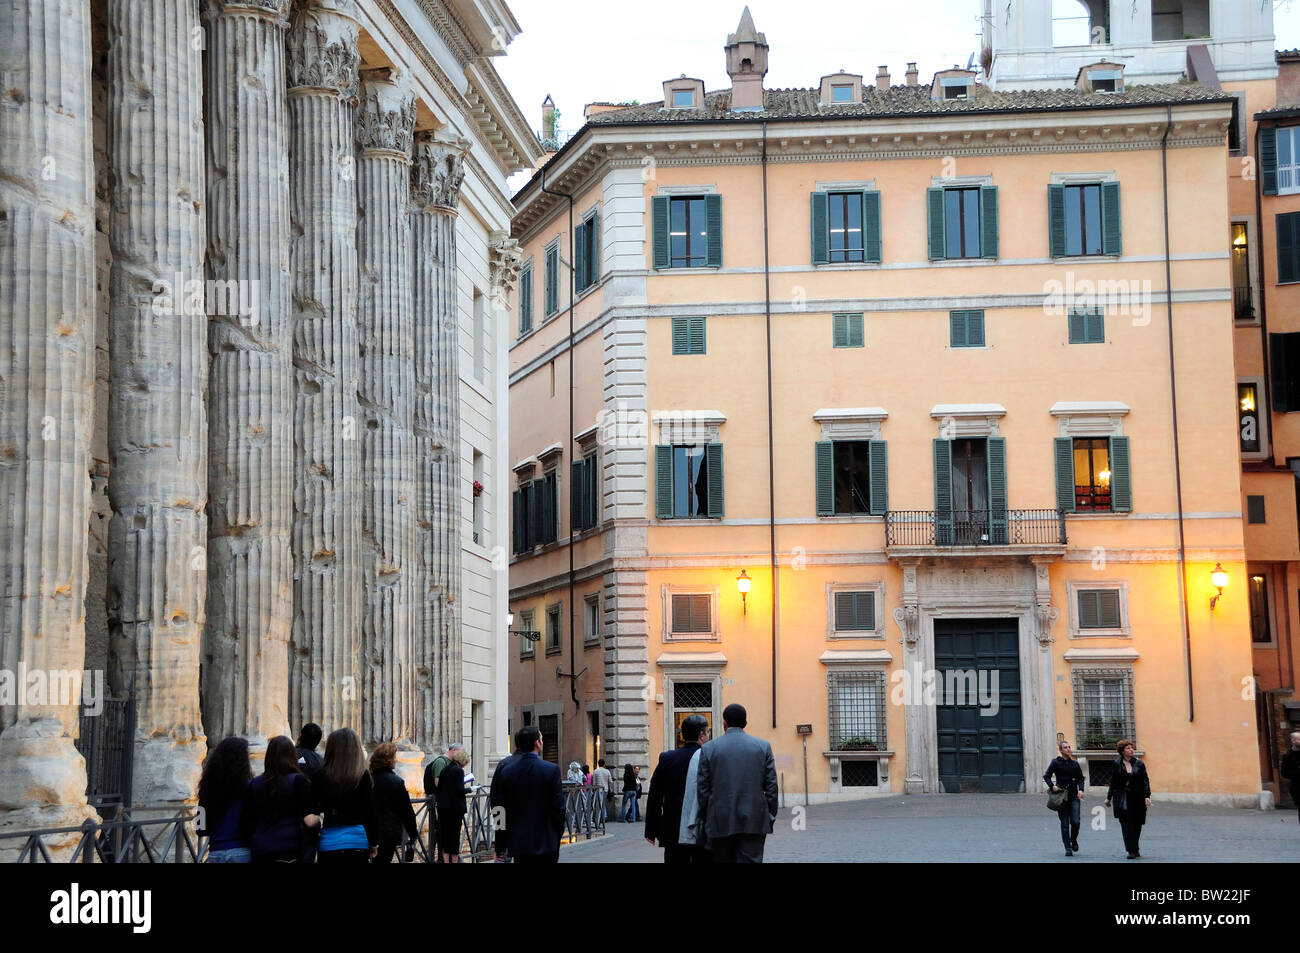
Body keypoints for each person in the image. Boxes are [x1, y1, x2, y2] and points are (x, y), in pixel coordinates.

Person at [696, 702, 778, 863]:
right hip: (754, 819)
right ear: (745, 724)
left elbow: (703, 790)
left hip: (720, 819)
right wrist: (769, 815)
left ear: (724, 723)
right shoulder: (763, 747)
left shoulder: (709, 749)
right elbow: (772, 787)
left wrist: (708, 817)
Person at [490, 725, 565, 864]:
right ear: (537, 743)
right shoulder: (551, 770)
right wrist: (556, 837)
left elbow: (498, 808)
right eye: (541, 739)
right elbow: (559, 809)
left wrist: (500, 843)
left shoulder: (507, 771)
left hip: (519, 843)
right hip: (546, 842)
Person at [644, 714, 712, 863]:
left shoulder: (668, 758)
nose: (708, 736)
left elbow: (655, 795)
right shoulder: (710, 758)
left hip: (673, 828)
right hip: (703, 829)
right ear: (701, 735)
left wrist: (651, 829)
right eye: (707, 732)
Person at [311, 727, 378, 864]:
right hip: (357, 841)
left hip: (329, 842)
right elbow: (370, 812)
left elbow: (313, 809)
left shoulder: (320, 775)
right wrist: (374, 842)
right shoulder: (362, 775)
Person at [246, 735, 314, 863]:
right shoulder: (299, 781)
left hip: (260, 847)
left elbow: (249, 819)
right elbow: (308, 818)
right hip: (289, 847)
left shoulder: (254, 783)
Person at [198, 736, 254, 863]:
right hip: (242, 850)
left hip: (215, 852)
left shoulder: (207, 788)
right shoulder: (250, 787)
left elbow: (200, 826)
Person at [370, 742, 418, 864]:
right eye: (394, 757)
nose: (396, 760)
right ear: (387, 760)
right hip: (387, 834)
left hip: (367, 831)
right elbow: (407, 812)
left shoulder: (367, 779)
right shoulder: (396, 782)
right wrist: (413, 835)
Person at [1105, 739, 1152, 859]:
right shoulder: (1117, 764)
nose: (1131, 750)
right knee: (1126, 825)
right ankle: (1131, 850)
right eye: (1128, 748)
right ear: (1122, 751)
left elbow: (1145, 780)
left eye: (1132, 748)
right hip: (1122, 797)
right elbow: (1113, 781)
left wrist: (1147, 796)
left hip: (1138, 797)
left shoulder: (1139, 763)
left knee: (1137, 824)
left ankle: (1135, 848)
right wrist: (1108, 798)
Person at [1043, 740, 1086, 856]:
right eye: (1065, 747)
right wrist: (1052, 786)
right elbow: (1046, 776)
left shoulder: (1075, 764)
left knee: (1076, 821)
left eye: (1069, 747)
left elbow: (1080, 778)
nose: (1068, 749)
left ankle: (1074, 840)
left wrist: (1081, 789)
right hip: (1061, 796)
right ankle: (1068, 848)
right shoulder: (1055, 763)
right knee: (1065, 823)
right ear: (1061, 750)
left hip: (1073, 796)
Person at [437, 745, 470, 862]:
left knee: (445, 837)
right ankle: (454, 861)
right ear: (463, 761)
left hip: (443, 808)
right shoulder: (458, 771)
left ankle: (446, 861)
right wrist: (471, 789)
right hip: (455, 809)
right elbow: (460, 790)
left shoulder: (445, 769)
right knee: (454, 837)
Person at [1280, 731, 1300, 823]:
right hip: (1297, 787)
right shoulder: (1288, 756)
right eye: (1299, 739)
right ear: (1293, 740)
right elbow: (1284, 773)